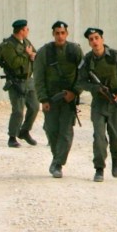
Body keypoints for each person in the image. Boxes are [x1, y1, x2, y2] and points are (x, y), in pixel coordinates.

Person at [76, 27, 117, 182]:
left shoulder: (114, 56)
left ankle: (116, 159)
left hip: (116, 102)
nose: (94, 41)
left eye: (97, 38)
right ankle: (99, 168)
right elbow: (81, 81)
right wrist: (96, 88)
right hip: (99, 103)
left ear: (102, 39)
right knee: (99, 136)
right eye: (91, 39)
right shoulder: (87, 60)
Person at [33, 20, 83, 178]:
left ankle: (58, 163)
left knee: (66, 133)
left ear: (67, 34)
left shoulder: (75, 51)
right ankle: (57, 157)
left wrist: (75, 92)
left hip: (69, 99)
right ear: (53, 34)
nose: (60, 36)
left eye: (62, 33)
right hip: (51, 98)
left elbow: (83, 75)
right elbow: (38, 77)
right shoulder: (45, 52)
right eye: (57, 33)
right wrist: (43, 99)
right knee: (51, 130)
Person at [0, 19, 39, 148]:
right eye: (26, 29)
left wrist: (33, 56)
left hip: (28, 80)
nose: (28, 31)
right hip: (16, 82)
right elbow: (13, 63)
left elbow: (34, 52)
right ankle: (12, 136)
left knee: (35, 107)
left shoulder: (26, 42)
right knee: (18, 111)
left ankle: (24, 131)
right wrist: (27, 55)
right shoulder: (9, 45)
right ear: (21, 31)